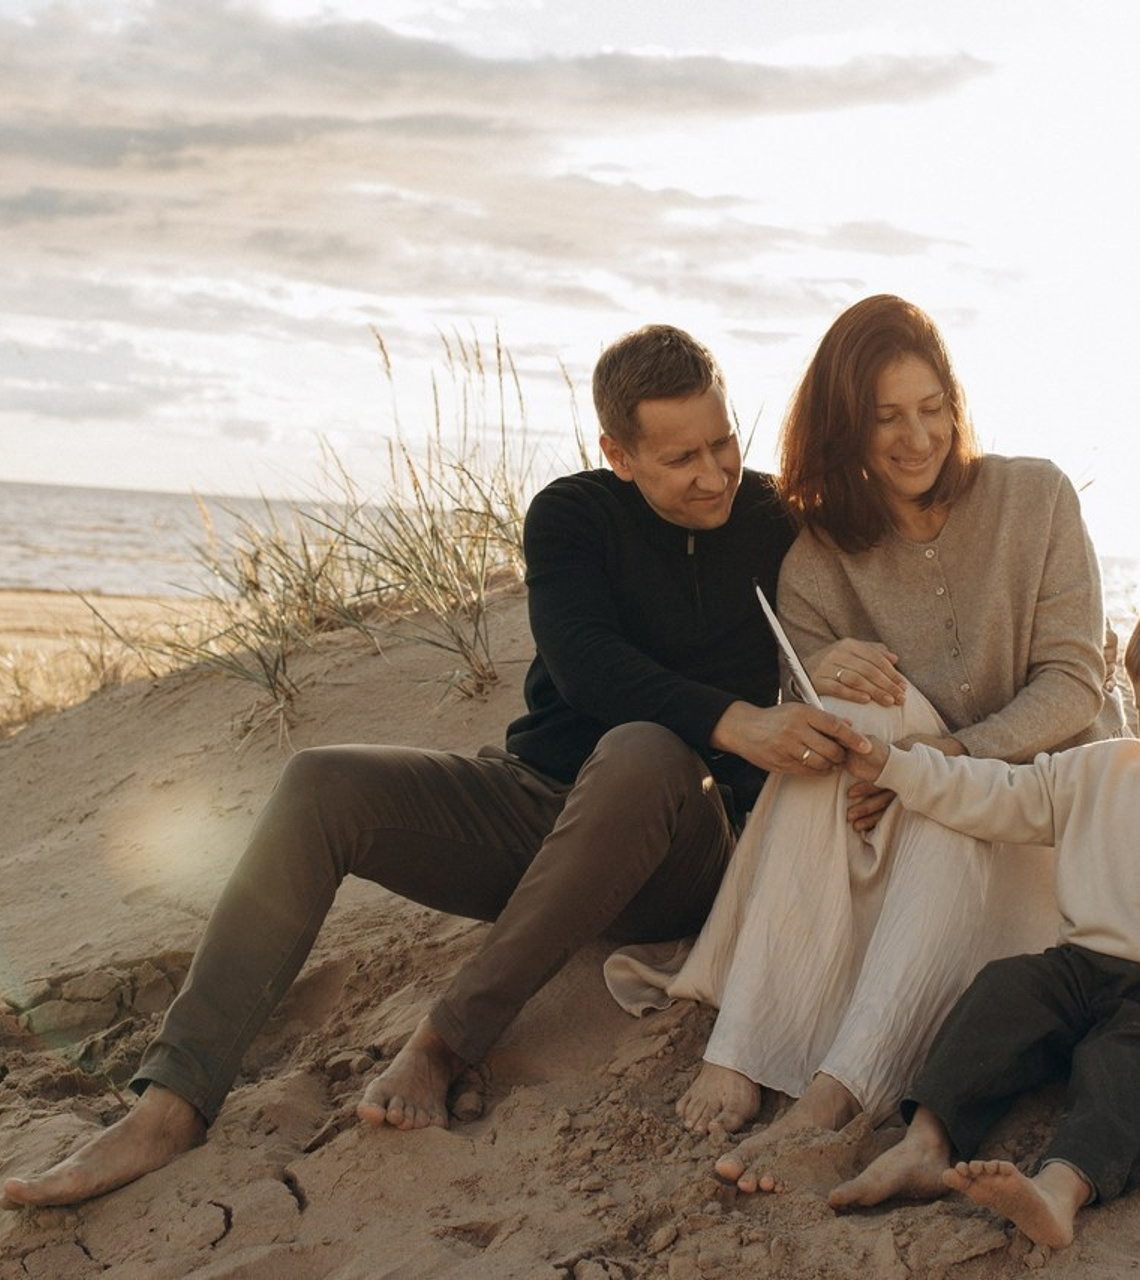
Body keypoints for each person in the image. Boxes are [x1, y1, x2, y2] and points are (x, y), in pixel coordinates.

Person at [3, 324, 863, 1209]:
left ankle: (445, 1044)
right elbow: (585, 664)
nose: (715, 474)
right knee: (320, 783)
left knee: (643, 750)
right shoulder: (572, 515)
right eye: (681, 458)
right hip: (543, 805)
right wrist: (736, 719)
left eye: (723, 442)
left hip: (683, 845)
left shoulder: (774, 518)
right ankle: (171, 1103)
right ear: (618, 454)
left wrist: (812, 679)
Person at [605, 294, 1126, 1192]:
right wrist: (816, 674)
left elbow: (1075, 682)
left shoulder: (1036, 497)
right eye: (887, 417)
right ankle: (747, 1045)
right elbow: (812, 734)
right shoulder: (817, 560)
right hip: (899, 837)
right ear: (846, 425)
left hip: (1048, 812)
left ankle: (840, 1089)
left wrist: (951, 761)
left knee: (947, 796)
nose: (917, 438)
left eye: (933, 408)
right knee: (848, 713)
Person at [833, 581, 1140, 1249]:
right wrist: (896, 767)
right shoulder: (1101, 770)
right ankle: (927, 1142)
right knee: (1004, 989)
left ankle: (1057, 1191)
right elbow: (998, 794)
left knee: (1136, 1068)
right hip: (1080, 969)